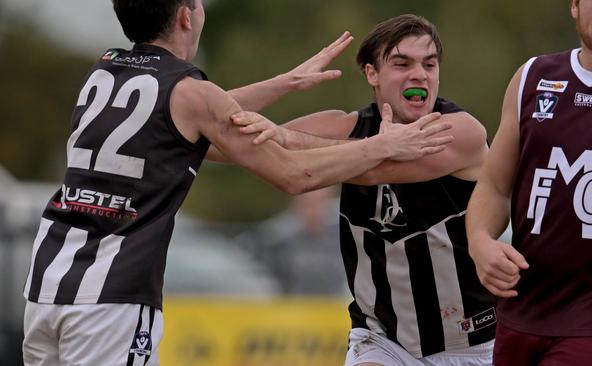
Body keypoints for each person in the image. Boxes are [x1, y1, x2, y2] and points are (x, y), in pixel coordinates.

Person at [20, 1, 453, 365]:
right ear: (187, 16)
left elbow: (187, 112)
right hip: (110, 301)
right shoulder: (189, 91)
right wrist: (383, 146)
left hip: (46, 289)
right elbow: (293, 173)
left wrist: (286, 83)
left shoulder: (106, 70)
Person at [234, 14, 495, 366]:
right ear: (372, 74)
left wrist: (285, 139)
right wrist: (285, 83)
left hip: (471, 343)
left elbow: (375, 168)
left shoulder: (459, 131)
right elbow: (219, 140)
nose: (419, 74)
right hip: (382, 340)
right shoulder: (347, 128)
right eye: (402, 63)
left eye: (429, 64)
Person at [466, 0, 592, 364]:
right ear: (575, 6)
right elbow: (495, 186)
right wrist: (479, 241)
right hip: (522, 305)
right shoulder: (532, 76)